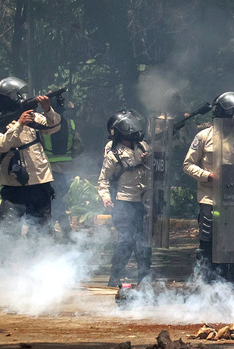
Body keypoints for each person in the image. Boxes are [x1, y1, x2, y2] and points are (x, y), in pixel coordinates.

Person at [0, 77, 62, 244]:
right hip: (13, 188)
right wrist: (19, 124)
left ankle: (35, 266)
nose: (19, 97)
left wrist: (48, 109)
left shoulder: (32, 117)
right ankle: (4, 268)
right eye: (15, 95)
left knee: (41, 232)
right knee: (7, 231)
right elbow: (2, 145)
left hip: (39, 182)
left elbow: (54, 127)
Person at [182, 91, 234, 284]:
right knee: (208, 243)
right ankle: (207, 286)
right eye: (232, 113)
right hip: (210, 199)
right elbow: (187, 165)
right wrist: (208, 176)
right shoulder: (203, 137)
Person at [97, 111, 152, 287]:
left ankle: (144, 278)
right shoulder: (113, 153)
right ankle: (115, 276)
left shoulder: (143, 146)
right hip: (123, 202)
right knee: (126, 240)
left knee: (143, 243)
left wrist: (150, 159)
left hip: (142, 202)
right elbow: (103, 179)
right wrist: (105, 197)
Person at [42, 96, 84, 239]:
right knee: (57, 201)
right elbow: (78, 147)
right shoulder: (70, 124)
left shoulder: (42, 124)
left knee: (53, 203)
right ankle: (63, 232)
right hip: (66, 171)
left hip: (48, 171)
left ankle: (54, 232)